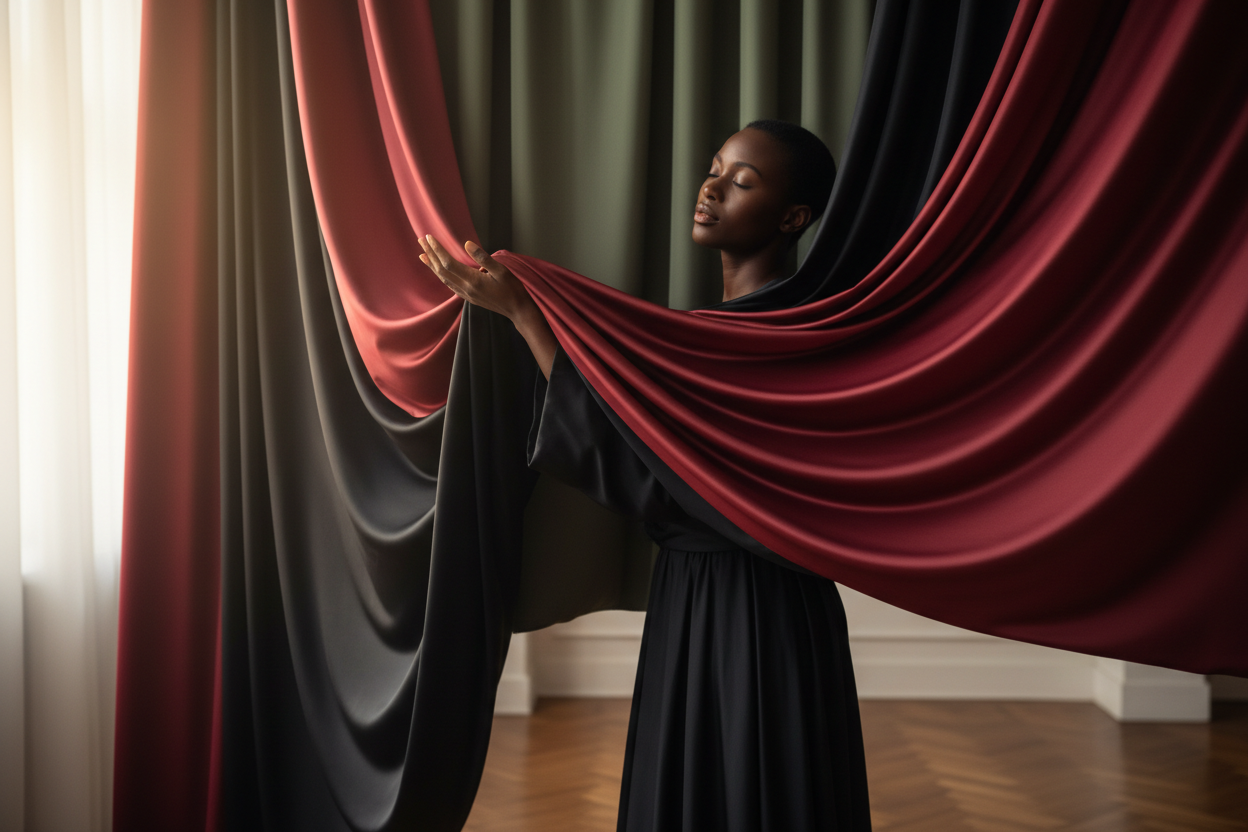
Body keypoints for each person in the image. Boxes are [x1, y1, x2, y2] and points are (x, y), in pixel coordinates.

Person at [419, 121, 871, 831]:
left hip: (764, 610)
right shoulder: (705, 337)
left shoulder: (783, 340)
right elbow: (641, 457)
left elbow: (650, 476)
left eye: (744, 180)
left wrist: (524, 315)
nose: (712, 186)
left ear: (794, 218)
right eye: (716, 167)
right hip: (695, 596)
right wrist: (524, 312)